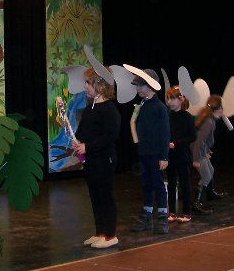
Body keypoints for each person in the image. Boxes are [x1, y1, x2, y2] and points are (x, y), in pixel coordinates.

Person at [72, 67, 121, 249]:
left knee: (105, 196)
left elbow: (111, 135)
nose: (85, 86)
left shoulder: (109, 109)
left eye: (88, 83)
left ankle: (110, 235)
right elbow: (83, 132)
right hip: (92, 160)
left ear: (100, 85)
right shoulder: (89, 108)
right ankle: (100, 232)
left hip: (105, 159)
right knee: (95, 196)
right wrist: (77, 142)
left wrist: (88, 146)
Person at [127, 67, 171, 234]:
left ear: (151, 86)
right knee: (146, 184)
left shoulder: (159, 107)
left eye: (141, 85)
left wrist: (164, 156)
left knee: (158, 185)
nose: (138, 88)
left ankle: (162, 217)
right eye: (137, 85)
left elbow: (165, 133)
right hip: (144, 152)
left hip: (155, 153)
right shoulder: (142, 105)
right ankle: (147, 216)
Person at [166, 85, 197, 223]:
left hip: (182, 155)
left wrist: (177, 143)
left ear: (181, 99)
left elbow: (192, 136)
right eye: (168, 98)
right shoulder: (168, 115)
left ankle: (186, 212)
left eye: (172, 98)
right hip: (170, 155)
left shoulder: (187, 117)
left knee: (185, 184)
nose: (170, 101)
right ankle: (172, 211)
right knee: (171, 183)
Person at [191, 95, 225, 214]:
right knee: (206, 175)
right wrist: (196, 159)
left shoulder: (210, 120)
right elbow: (199, 141)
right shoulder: (209, 122)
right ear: (218, 109)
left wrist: (207, 150)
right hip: (198, 152)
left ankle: (210, 193)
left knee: (211, 170)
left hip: (201, 151)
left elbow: (205, 141)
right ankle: (196, 203)